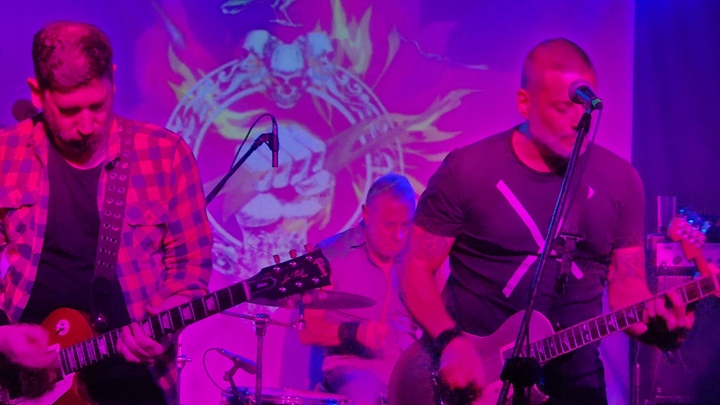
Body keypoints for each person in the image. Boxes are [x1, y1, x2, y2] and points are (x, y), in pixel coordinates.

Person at [393, 38, 694, 404]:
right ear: (525, 103)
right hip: (475, 383)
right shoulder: (467, 169)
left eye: (583, 106)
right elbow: (414, 267)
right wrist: (449, 341)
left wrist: (660, 327)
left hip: (577, 385)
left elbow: (626, 288)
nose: (576, 120)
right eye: (562, 108)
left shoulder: (622, 181)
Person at [0, 21, 213, 405]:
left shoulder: (166, 155)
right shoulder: (5, 155)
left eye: (97, 105)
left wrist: (165, 322)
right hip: (23, 384)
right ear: (37, 93)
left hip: (134, 383)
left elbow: (190, 268)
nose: (86, 125)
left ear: (113, 80)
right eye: (69, 110)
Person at [299, 173, 418, 405]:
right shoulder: (330, 255)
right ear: (366, 214)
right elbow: (307, 330)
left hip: (407, 372)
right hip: (353, 370)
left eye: (406, 225)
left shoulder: (417, 259)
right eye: (389, 225)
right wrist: (354, 333)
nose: (399, 235)